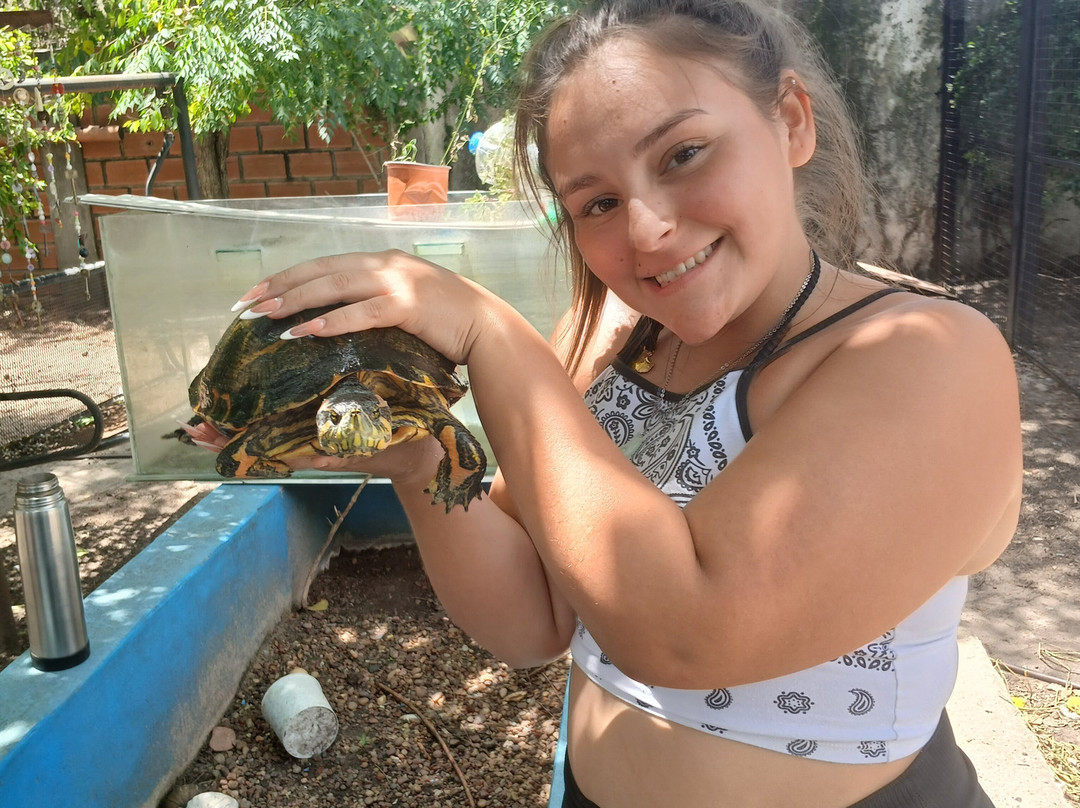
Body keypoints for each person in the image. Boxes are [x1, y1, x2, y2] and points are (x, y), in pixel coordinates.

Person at [194, 1, 1023, 804]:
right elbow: (533, 620)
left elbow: (685, 632)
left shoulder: (927, 357)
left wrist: (492, 335)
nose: (648, 229)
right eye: (595, 202)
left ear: (792, 121)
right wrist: (419, 459)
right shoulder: (612, 341)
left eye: (683, 153)